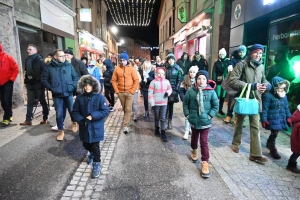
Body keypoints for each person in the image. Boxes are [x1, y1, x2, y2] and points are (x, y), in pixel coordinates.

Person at [229, 44, 271, 164]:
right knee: (239, 123)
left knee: (255, 127)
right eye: (256, 53)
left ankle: (256, 154)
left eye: (260, 53)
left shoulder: (261, 66)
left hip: (255, 100)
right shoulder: (242, 64)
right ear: (251, 53)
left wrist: (267, 86)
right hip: (243, 98)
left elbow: (264, 80)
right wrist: (249, 86)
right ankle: (236, 143)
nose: (258, 55)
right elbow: (233, 80)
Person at [72, 75, 109, 178]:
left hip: (96, 127)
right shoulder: (79, 98)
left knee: (95, 146)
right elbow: (75, 111)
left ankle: (97, 164)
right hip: (84, 127)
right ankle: (91, 153)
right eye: (86, 85)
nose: (87, 87)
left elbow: (105, 111)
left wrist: (92, 116)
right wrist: (81, 120)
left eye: (89, 85)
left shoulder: (100, 97)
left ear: (93, 86)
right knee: (86, 145)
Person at [183, 70, 219, 178]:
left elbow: (215, 106)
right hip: (194, 121)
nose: (201, 81)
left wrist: (209, 116)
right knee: (194, 139)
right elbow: (185, 104)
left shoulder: (211, 91)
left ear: (207, 80)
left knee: (204, 142)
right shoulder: (191, 91)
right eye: (199, 78)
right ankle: (194, 150)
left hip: (205, 122)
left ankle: (205, 162)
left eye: (203, 78)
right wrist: (188, 116)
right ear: (196, 79)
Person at [42, 49, 78, 141]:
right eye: (61, 56)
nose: (64, 57)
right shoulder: (49, 67)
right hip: (57, 94)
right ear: (55, 57)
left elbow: (75, 77)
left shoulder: (68, 65)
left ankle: (74, 122)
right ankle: (60, 131)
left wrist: (72, 86)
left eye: (64, 56)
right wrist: (51, 88)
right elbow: (44, 80)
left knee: (71, 110)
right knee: (59, 113)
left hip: (68, 92)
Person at [261, 76, 291, 159]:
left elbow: (286, 107)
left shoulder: (284, 96)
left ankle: (269, 143)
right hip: (272, 118)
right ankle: (272, 149)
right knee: (274, 133)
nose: (282, 90)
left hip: (281, 117)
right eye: (280, 88)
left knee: (275, 133)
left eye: (283, 88)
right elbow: (265, 108)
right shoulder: (268, 96)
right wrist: (264, 119)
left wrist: (289, 116)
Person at [20, 44, 49, 126]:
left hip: (39, 85)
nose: (28, 51)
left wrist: (40, 81)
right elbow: (27, 72)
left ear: (35, 50)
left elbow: (45, 72)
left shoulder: (40, 60)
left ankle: (45, 118)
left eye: (30, 49)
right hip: (30, 85)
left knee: (42, 101)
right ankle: (28, 120)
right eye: (28, 49)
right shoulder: (27, 60)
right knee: (30, 102)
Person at [111, 51, 139, 134]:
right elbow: (113, 80)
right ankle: (128, 120)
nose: (122, 61)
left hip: (130, 92)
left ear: (127, 60)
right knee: (124, 109)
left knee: (128, 108)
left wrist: (132, 91)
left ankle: (126, 125)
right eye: (121, 60)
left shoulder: (132, 69)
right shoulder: (117, 69)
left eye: (123, 60)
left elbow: (136, 80)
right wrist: (117, 91)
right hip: (121, 93)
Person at [63, 49, 89, 132]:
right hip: (68, 88)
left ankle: (84, 120)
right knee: (69, 106)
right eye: (65, 55)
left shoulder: (78, 63)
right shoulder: (62, 64)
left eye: (67, 55)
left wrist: (85, 86)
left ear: (71, 55)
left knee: (82, 104)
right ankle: (73, 121)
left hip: (79, 87)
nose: (66, 57)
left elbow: (86, 74)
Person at [224, 45, 247, 123]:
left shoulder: (247, 60)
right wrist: (230, 68)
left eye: (243, 52)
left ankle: (238, 117)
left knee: (241, 99)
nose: (241, 53)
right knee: (231, 99)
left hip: (243, 82)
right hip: (234, 82)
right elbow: (230, 67)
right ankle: (229, 115)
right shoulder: (233, 59)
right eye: (240, 52)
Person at [148, 68, 172, 142]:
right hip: (156, 103)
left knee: (163, 117)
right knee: (157, 117)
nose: (160, 75)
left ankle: (163, 132)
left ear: (164, 74)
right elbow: (150, 92)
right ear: (156, 74)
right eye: (159, 73)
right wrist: (152, 103)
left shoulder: (167, 81)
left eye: (162, 73)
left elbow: (170, 89)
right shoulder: (153, 82)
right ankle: (157, 129)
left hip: (164, 102)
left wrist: (168, 92)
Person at [0, 43, 19, 126]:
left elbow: (15, 69)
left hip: (8, 82)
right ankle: (10, 114)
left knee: (7, 100)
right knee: (3, 101)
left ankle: (6, 118)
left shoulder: (8, 57)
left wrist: (11, 79)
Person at [179, 65, 198, 140]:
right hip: (187, 102)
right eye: (191, 72)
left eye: (194, 72)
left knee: (194, 116)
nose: (192, 74)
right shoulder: (185, 80)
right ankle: (186, 131)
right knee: (187, 116)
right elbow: (181, 91)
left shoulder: (198, 81)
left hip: (196, 102)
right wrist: (184, 99)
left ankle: (191, 128)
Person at [165, 53, 182, 129]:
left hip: (173, 90)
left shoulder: (177, 68)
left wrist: (176, 89)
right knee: (165, 106)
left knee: (171, 106)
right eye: (169, 60)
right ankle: (164, 121)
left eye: (172, 59)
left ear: (174, 60)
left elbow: (179, 80)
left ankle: (169, 121)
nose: (170, 61)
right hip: (165, 90)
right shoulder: (165, 68)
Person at [212, 48, 229, 115]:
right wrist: (214, 81)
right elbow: (214, 72)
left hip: (225, 81)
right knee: (217, 95)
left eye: (223, 54)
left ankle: (220, 109)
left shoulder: (228, 62)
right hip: (218, 81)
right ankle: (215, 108)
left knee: (223, 96)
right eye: (220, 54)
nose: (221, 55)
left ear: (225, 54)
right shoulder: (216, 63)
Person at [286, 104, 300, 173]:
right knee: (296, 153)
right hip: (298, 141)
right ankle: (291, 165)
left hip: (297, 140)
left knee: (296, 153)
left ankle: (291, 164)